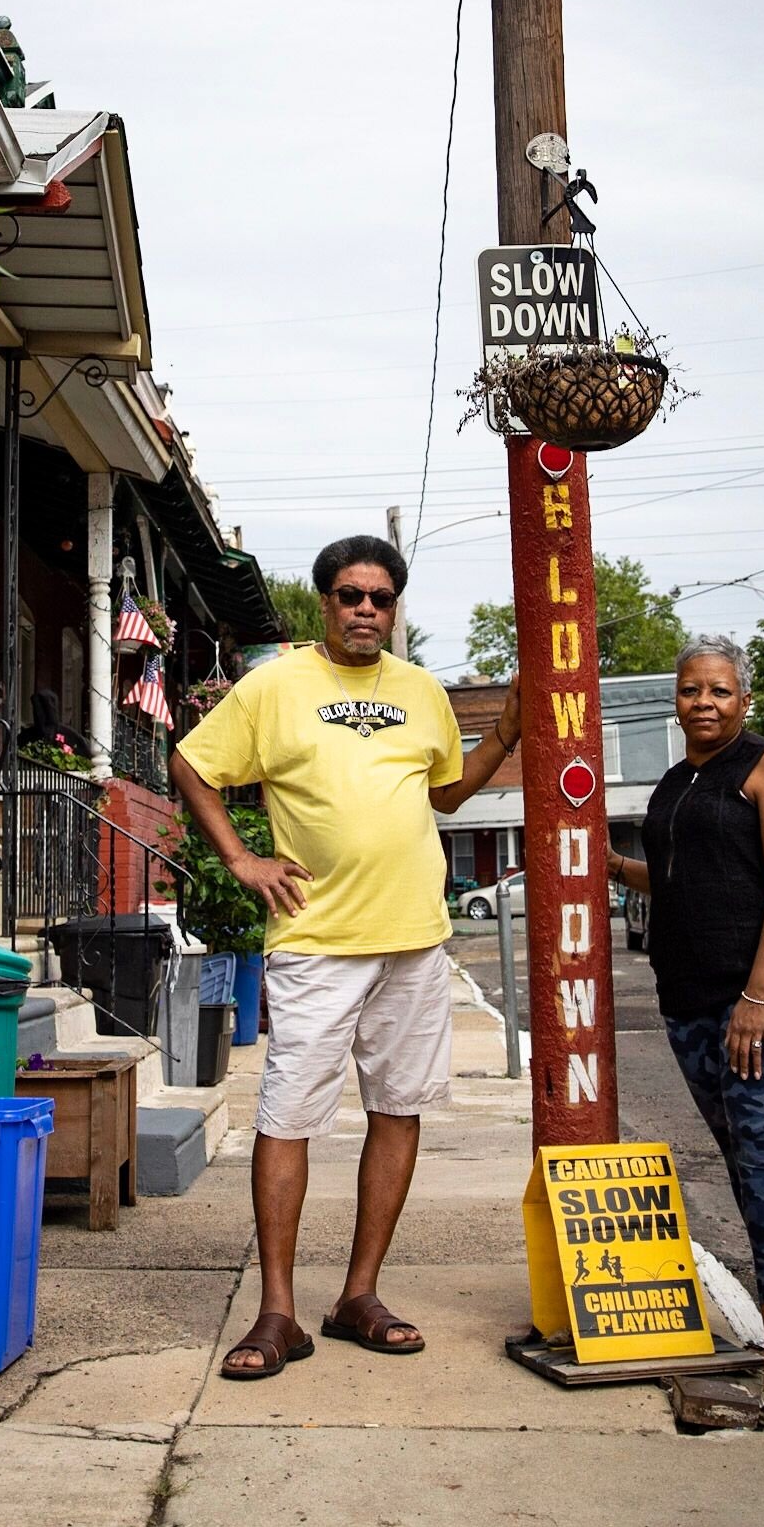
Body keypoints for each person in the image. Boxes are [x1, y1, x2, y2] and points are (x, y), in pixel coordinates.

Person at [171, 535, 522, 1379]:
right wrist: (242, 860)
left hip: (413, 936)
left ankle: (359, 1293)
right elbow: (190, 762)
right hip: (317, 940)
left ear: (395, 609)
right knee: (285, 1116)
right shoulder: (276, 686)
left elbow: (443, 791)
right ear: (323, 604)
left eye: (381, 597)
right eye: (349, 594)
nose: (366, 608)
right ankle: (277, 1312)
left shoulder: (422, 691)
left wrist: (503, 738)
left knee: (398, 1109)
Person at [606, 635, 764, 1430]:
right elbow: (678, 879)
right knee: (747, 1161)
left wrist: (759, 994)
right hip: (694, 1001)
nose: (702, 702)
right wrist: (606, 863)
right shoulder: (678, 782)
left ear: (744, 698)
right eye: (689, 690)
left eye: (718, 690)